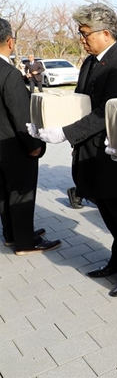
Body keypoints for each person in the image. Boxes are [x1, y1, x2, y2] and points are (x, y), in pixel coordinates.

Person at [29, 3, 117, 296]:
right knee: (111, 214)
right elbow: (80, 103)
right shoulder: (91, 61)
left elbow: (105, 112)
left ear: (105, 32)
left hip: (116, 156)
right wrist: (49, 120)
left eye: (86, 33)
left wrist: (65, 132)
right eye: (81, 32)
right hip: (93, 156)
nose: (82, 38)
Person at [0, 19, 57, 255]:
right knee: (22, 193)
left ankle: (12, 235)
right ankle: (25, 242)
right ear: (10, 41)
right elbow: (21, 114)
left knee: (4, 193)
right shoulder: (9, 73)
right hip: (14, 146)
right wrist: (34, 145)